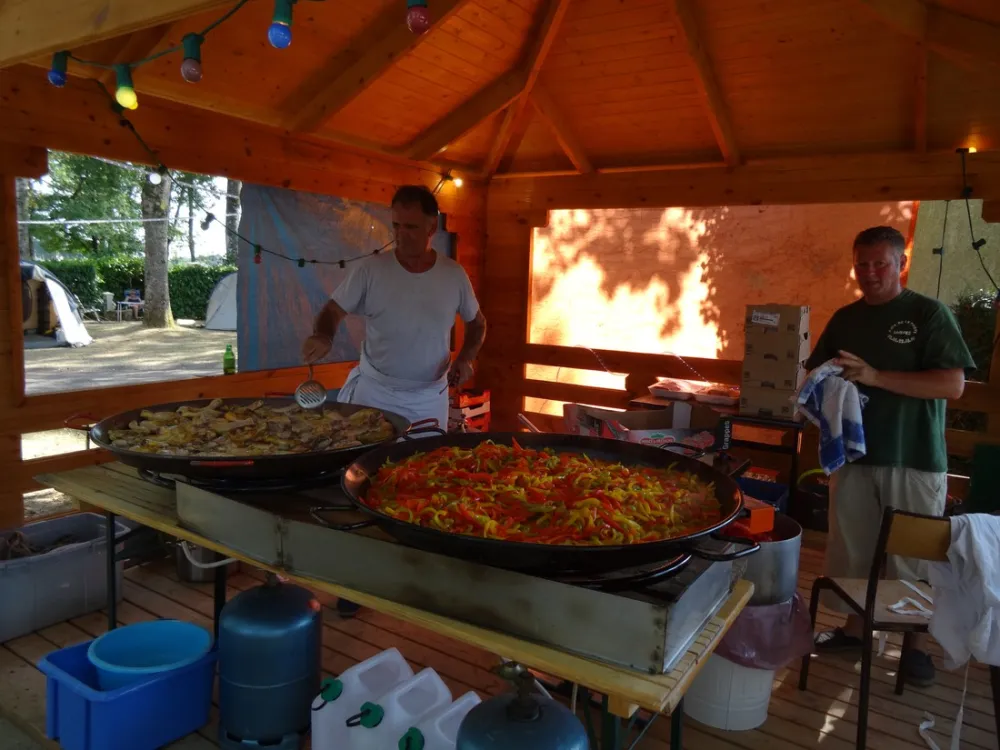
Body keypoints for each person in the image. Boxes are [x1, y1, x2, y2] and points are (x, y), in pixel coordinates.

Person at [302, 184, 487, 617]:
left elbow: (478, 325)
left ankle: (419, 577)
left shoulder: (452, 275)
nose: (401, 235)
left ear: (432, 227)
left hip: (429, 397)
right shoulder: (372, 270)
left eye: (411, 227)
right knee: (360, 484)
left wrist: (467, 359)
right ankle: (355, 582)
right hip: (375, 392)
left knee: (425, 484)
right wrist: (322, 335)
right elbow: (332, 310)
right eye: (396, 226)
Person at [804, 225, 974, 687]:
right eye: (863, 263)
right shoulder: (845, 318)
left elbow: (951, 385)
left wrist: (876, 377)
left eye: (881, 263)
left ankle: (914, 646)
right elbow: (817, 368)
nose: (871, 272)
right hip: (855, 455)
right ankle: (854, 631)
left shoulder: (928, 314)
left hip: (914, 456)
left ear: (901, 263)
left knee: (911, 555)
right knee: (852, 548)